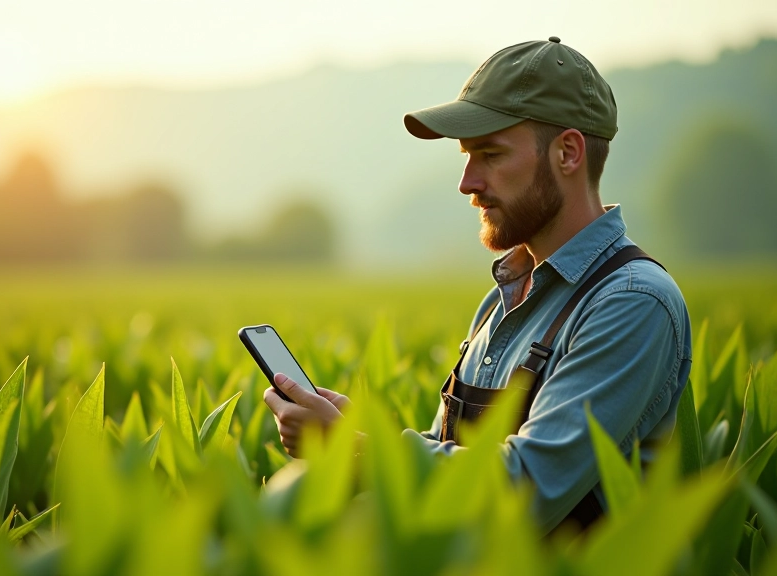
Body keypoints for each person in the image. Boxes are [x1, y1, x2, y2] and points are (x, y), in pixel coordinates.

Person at [262, 37, 692, 534]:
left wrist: (359, 450)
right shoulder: (503, 298)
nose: (468, 182)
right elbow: (455, 462)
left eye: (490, 154)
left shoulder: (631, 302)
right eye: (467, 156)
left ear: (568, 153)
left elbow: (527, 487)